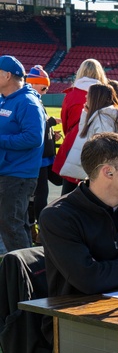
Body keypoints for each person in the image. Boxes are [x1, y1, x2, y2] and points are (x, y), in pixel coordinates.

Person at [38, 132, 118, 297]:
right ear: (108, 172)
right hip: (76, 317)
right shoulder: (58, 216)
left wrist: (107, 277)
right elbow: (89, 281)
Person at [0, 54, 46, 253]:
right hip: (9, 171)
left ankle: (24, 271)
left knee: (12, 224)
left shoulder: (27, 102)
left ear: (7, 75)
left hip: (18, 174)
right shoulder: (7, 100)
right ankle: (25, 267)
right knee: (13, 223)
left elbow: (34, 138)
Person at [60, 83, 118, 181]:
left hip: (100, 170)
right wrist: (85, 113)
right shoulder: (105, 114)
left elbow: (103, 148)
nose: (86, 96)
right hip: (103, 169)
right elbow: (83, 133)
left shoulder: (102, 117)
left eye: (89, 94)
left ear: (96, 97)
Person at [54, 58, 107, 194]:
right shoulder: (106, 92)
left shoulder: (71, 94)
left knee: (69, 190)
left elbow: (65, 122)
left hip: (73, 141)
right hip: (98, 141)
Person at [26, 65, 60, 232]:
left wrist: (51, 136)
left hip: (44, 156)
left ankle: (36, 226)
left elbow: (41, 128)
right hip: (37, 158)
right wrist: (51, 122)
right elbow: (34, 127)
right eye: (43, 87)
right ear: (32, 84)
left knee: (40, 193)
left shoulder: (35, 98)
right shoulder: (29, 100)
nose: (46, 91)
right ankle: (38, 227)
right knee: (39, 194)